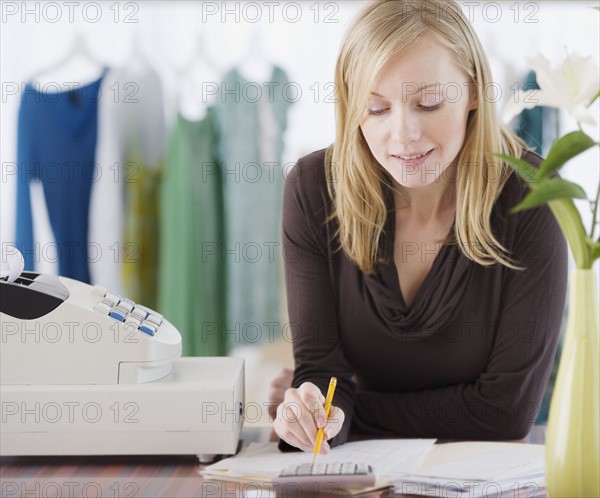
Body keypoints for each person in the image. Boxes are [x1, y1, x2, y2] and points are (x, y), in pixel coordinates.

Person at [270, 0, 568, 455]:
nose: (403, 134)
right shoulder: (314, 191)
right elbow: (322, 374)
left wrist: (355, 410)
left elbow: (506, 413)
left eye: (427, 103)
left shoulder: (534, 193)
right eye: (375, 109)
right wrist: (311, 411)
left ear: (473, 91)